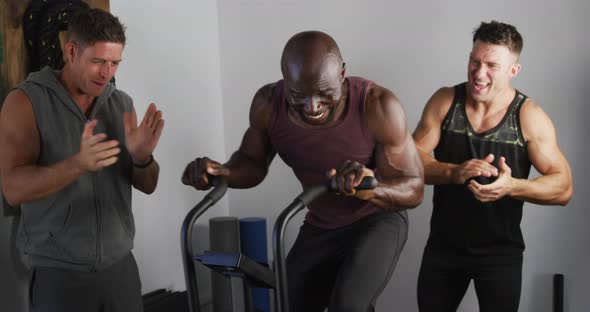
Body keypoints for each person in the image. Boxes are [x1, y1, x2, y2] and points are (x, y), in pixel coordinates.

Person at [182, 30, 424, 311]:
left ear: (342, 74)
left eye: (324, 93)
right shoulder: (268, 104)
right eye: (299, 94)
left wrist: (370, 187)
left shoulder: (378, 106)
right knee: (288, 302)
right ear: (285, 79)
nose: (312, 105)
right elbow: (252, 163)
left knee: (347, 305)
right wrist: (220, 172)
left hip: (376, 221)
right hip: (321, 224)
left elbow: (414, 187)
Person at [0, 8, 164, 312]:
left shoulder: (121, 103)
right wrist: (77, 164)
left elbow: (149, 185)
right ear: (72, 51)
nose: (107, 73)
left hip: (121, 270)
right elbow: (13, 189)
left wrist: (142, 158)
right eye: (98, 61)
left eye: (115, 63)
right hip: (59, 276)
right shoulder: (24, 102)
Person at [412, 21, 573, 312]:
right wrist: (453, 172)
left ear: (514, 70)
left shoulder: (529, 116)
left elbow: (563, 187)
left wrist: (513, 187)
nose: (479, 73)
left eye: (491, 65)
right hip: (444, 247)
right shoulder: (445, 101)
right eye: (475, 61)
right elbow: (408, 164)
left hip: (500, 253)